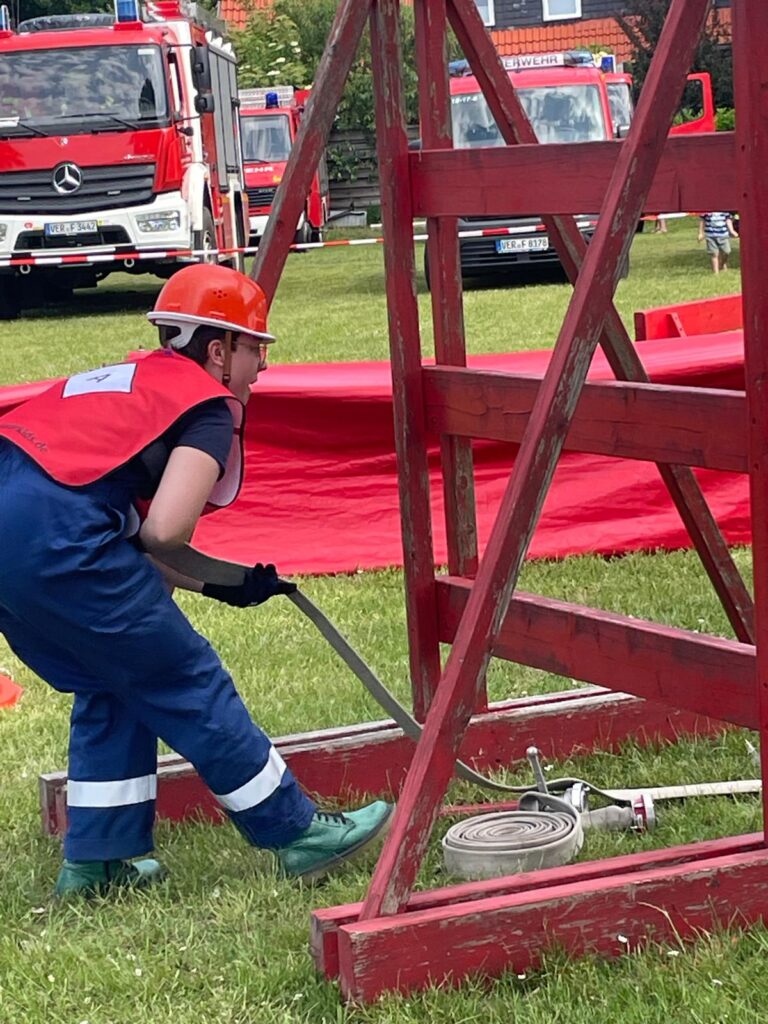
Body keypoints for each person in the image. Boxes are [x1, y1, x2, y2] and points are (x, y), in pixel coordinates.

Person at [0, 264, 393, 898]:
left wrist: (225, 582)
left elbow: (128, 536)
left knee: (113, 677)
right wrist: (221, 583)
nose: (260, 368)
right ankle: (298, 833)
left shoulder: (128, 381)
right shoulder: (206, 405)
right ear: (218, 350)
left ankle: (100, 860)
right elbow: (161, 536)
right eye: (255, 349)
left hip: (14, 531)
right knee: (184, 678)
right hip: (57, 537)